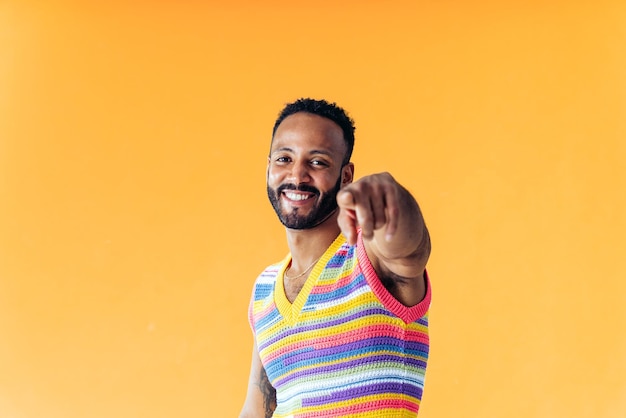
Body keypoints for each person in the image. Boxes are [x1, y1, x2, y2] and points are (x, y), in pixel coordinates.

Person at [239, 98, 432, 418]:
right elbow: (256, 410)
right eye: (284, 158)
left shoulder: (371, 257)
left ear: (346, 176)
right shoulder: (265, 288)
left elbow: (411, 250)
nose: (297, 175)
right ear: (269, 167)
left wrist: (393, 200)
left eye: (317, 162)